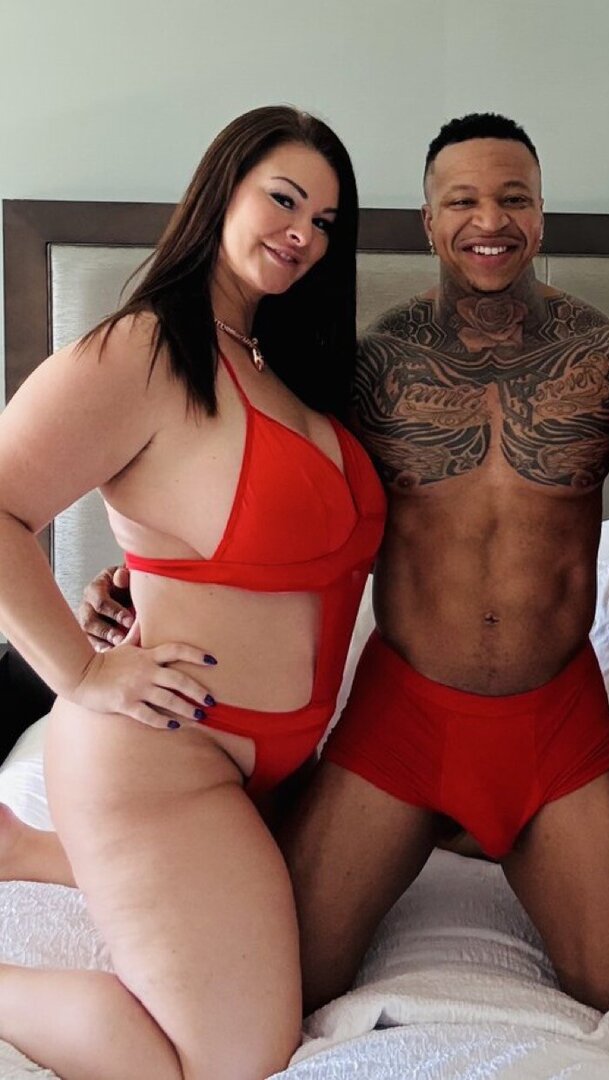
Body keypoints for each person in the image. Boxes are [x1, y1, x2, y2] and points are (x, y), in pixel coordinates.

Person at [34, 114, 609, 1016]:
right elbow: (264, 497)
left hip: (555, 718)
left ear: (542, 216)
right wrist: (140, 580)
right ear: (428, 222)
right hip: (405, 713)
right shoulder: (362, 372)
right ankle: (50, 850)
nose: (491, 219)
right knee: (298, 980)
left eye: (515, 198)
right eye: (462, 200)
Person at [0, 106, 384, 1080]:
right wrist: (82, 672)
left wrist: (143, 577)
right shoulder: (144, 349)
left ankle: (40, 854)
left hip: (281, 768)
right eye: (283, 199)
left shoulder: (281, 366)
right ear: (221, 190)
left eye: (326, 221)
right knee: (234, 1062)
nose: (303, 234)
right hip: (166, 759)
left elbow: (242, 541)